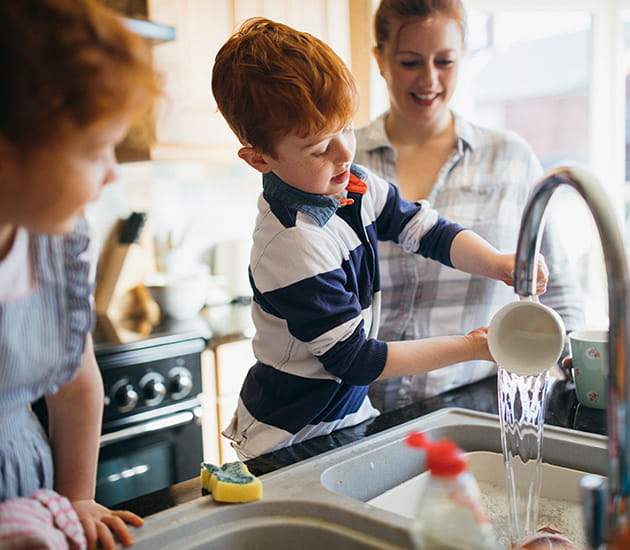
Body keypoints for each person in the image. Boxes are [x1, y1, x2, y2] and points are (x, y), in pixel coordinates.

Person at [210, 17, 548, 460]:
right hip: (289, 437)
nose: (345, 152)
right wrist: (473, 347)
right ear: (259, 159)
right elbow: (356, 360)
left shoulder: (352, 185)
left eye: (346, 128)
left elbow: (428, 231)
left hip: (347, 420)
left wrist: (498, 263)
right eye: (319, 147)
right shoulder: (291, 244)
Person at [354, 0, 585, 411]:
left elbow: (558, 287)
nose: (429, 79)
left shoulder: (510, 158)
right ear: (380, 58)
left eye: (445, 61)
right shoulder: (343, 163)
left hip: (479, 404)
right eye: (410, 62)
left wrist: (581, 376)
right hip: (360, 411)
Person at [0, 1, 161, 548]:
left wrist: (77, 498)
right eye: (95, 150)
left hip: (30, 486)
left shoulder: (57, 240)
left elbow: (76, 381)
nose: (114, 170)